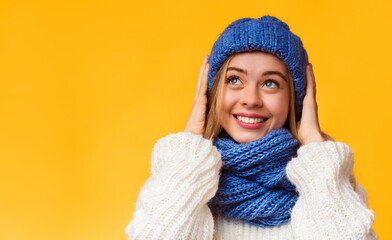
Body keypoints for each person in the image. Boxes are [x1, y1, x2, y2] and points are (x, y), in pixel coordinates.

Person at [125, 16, 377, 239]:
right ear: (212, 92)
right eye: (234, 80)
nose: (251, 99)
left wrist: (314, 144)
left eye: (270, 83)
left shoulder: (329, 181)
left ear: (295, 99)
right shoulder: (178, 178)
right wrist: (189, 145)